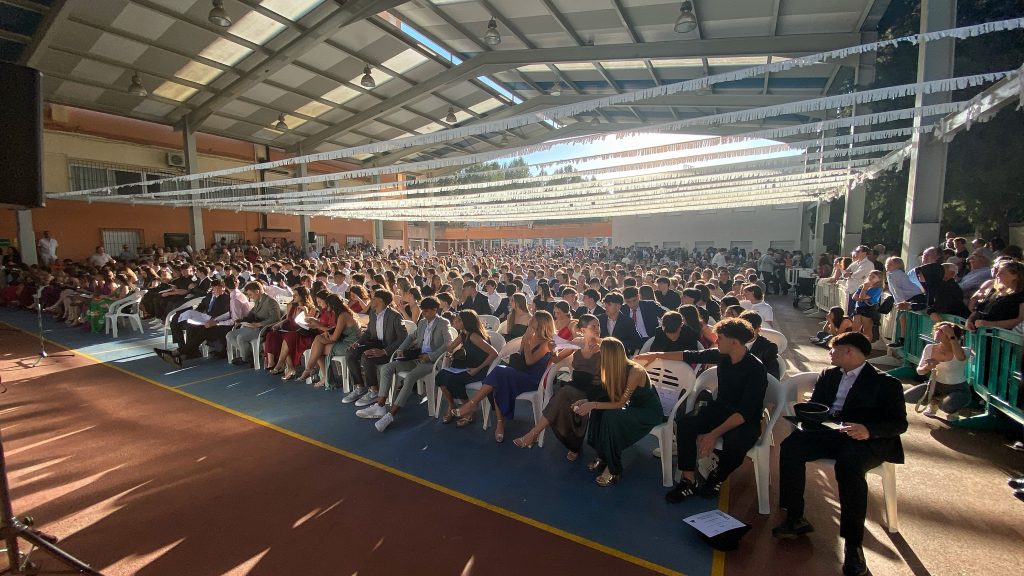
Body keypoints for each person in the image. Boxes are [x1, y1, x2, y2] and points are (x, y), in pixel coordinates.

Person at [773, 332, 907, 576]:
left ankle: (853, 544)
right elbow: (819, 404)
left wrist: (868, 430)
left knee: (849, 467)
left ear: (850, 351)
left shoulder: (886, 383)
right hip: (829, 433)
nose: (830, 353)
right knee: (791, 447)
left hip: (863, 440)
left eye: (834, 349)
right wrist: (808, 415)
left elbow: (899, 424)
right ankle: (795, 516)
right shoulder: (829, 375)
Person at [636, 318, 768, 501]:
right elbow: (689, 355)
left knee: (737, 443)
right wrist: (655, 355)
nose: (716, 341)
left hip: (744, 419)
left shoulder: (756, 370)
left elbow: (745, 412)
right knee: (685, 424)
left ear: (734, 342)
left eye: (720, 338)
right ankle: (688, 480)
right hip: (720, 409)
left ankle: (718, 476)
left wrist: (713, 434)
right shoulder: (722, 355)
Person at [452, 311, 555, 442]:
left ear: (541, 324)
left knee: (499, 372)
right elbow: (522, 358)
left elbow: (530, 361)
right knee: (498, 381)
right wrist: (526, 339)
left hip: (532, 380)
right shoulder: (528, 336)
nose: (530, 321)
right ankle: (499, 423)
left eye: (533, 320)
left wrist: (527, 340)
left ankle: (473, 404)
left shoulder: (546, 343)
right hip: (518, 374)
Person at [576, 338, 662, 486]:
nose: (600, 355)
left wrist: (594, 404)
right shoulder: (613, 368)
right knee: (599, 412)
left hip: (648, 412)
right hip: (632, 407)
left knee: (610, 416)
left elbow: (620, 403)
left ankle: (613, 467)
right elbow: (607, 394)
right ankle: (603, 455)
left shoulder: (635, 371)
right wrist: (587, 402)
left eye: (602, 353)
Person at [513, 314, 601, 459]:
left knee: (562, 394)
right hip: (576, 385)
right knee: (564, 395)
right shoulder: (577, 342)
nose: (597, 329)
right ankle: (569, 444)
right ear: (583, 330)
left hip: (593, 387)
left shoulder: (604, 345)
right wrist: (553, 349)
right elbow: (555, 359)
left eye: (598, 325)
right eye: (593, 326)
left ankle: (533, 434)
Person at [358, 297, 452, 431]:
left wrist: (430, 356)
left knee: (409, 378)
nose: (423, 314)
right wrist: (401, 349)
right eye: (422, 311)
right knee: (387, 368)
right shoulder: (422, 323)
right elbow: (411, 336)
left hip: (432, 362)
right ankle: (380, 406)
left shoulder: (443, 323)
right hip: (416, 357)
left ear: (434, 310)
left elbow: (448, 343)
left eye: (426, 311)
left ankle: (391, 414)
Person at [341, 290, 408, 407]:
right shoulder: (372, 312)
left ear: (380, 301)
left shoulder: (395, 316)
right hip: (375, 343)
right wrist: (357, 343)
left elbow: (403, 338)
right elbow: (368, 333)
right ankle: (359, 387)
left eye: (373, 299)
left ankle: (374, 391)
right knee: (350, 353)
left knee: (367, 356)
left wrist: (384, 351)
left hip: (388, 348)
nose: (370, 301)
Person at [436, 310, 499, 426]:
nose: (455, 320)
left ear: (466, 322)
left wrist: (478, 368)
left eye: (459, 320)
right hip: (468, 366)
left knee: (454, 381)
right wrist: (450, 352)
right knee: (440, 376)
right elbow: (450, 347)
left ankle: (469, 411)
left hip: (479, 369)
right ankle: (452, 405)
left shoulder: (474, 336)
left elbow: (494, 354)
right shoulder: (464, 334)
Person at [154, 278, 231, 366]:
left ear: (223, 288)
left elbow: (223, 314)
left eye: (219, 287)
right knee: (176, 322)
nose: (216, 289)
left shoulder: (225, 298)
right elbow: (201, 307)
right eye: (214, 287)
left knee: (193, 327)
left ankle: (179, 353)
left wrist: (207, 318)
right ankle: (183, 348)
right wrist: (195, 314)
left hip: (214, 322)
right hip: (203, 319)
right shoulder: (209, 296)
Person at [904, 322, 972, 420]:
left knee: (946, 406)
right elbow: (920, 371)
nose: (936, 332)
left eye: (941, 331)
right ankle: (934, 401)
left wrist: (951, 336)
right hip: (934, 385)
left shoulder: (965, 350)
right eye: (936, 329)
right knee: (907, 397)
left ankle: (951, 407)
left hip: (958, 389)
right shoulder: (930, 348)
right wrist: (927, 367)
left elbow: (960, 358)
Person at [227, 281, 283, 367]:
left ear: (257, 291)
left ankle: (245, 358)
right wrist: (242, 320)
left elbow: (275, 318)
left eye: (250, 294)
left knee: (240, 337)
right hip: (253, 326)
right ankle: (250, 355)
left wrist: (259, 324)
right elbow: (252, 313)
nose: (249, 297)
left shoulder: (271, 302)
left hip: (263, 328)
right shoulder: (258, 301)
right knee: (230, 335)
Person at [265, 286, 316, 377]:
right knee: (272, 334)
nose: (294, 296)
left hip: (303, 334)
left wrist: (305, 310)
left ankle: (281, 364)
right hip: (291, 330)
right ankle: (272, 362)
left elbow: (308, 324)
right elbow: (287, 319)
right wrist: (279, 324)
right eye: (293, 294)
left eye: (296, 295)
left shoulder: (311, 308)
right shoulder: (292, 306)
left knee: (288, 337)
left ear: (303, 296)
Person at [966, 260, 1023, 332]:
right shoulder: (994, 291)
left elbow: (1020, 321)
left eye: (1002, 272)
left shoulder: (1020, 296)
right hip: (979, 334)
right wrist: (969, 320)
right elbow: (979, 309)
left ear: (1015, 276)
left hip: (999, 337)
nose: (997, 275)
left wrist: (990, 324)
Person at [850, 270, 883, 341]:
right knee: (855, 328)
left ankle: (866, 346)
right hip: (859, 307)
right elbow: (854, 297)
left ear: (879, 279)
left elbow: (862, 297)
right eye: (870, 275)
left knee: (867, 329)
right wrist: (863, 298)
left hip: (869, 309)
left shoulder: (877, 289)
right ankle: (854, 344)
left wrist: (864, 290)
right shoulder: (863, 285)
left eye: (873, 276)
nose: (870, 277)